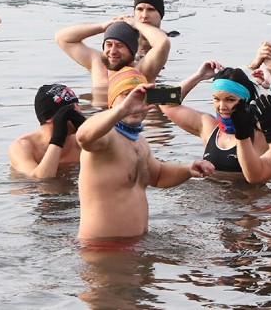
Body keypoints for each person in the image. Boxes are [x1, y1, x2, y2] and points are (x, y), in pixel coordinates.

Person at [76, 67, 215, 240]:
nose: (133, 103)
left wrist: (189, 169)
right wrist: (122, 110)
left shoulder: (139, 141)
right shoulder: (106, 138)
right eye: (125, 96)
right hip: (103, 250)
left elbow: (158, 176)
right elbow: (83, 136)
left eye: (139, 97)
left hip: (138, 245)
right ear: (112, 103)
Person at [161, 62, 269, 174]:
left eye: (230, 100)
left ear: (246, 100)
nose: (222, 107)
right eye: (216, 99)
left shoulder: (261, 131)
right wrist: (198, 76)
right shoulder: (209, 127)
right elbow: (164, 102)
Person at [55, 15, 170, 91]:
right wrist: (102, 26)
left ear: (131, 50)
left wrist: (137, 25)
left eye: (120, 46)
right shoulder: (97, 64)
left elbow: (162, 43)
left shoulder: (142, 70)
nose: (113, 51)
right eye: (109, 44)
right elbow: (62, 38)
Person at [8, 84, 86, 179]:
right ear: (51, 118)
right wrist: (58, 139)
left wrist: (89, 132)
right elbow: (40, 180)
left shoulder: (80, 143)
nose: (80, 112)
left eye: (78, 105)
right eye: (71, 108)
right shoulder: (22, 147)